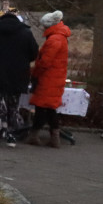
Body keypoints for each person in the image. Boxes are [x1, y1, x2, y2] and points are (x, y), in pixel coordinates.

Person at [0, 7, 38, 148]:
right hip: (18, 75)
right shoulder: (26, 33)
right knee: (13, 106)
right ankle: (11, 137)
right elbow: (34, 53)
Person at [27, 10, 71, 148]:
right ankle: (53, 138)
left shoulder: (54, 39)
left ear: (48, 26)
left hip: (48, 79)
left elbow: (45, 62)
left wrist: (35, 73)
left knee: (42, 108)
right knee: (50, 108)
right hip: (55, 78)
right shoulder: (60, 37)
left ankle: (35, 135)